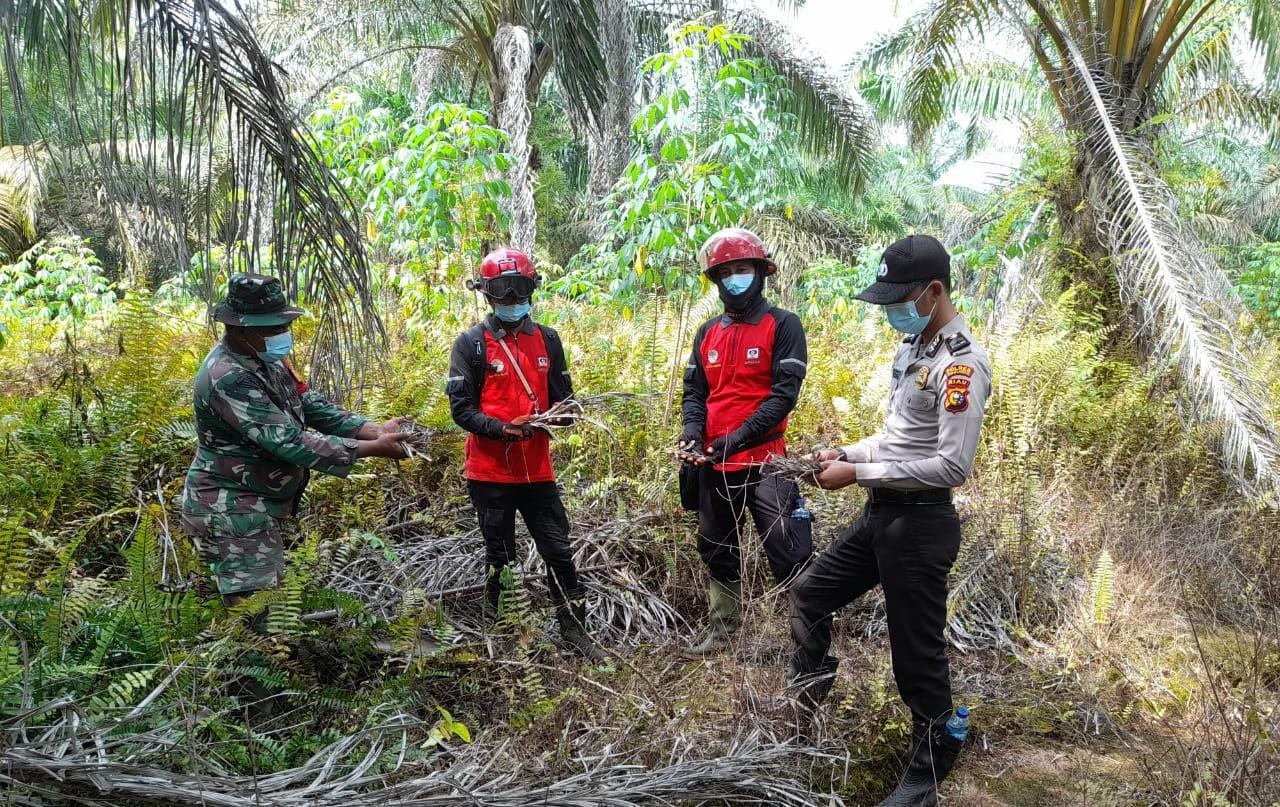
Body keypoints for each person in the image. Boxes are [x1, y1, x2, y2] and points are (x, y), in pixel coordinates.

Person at [786, 235, 992, 805]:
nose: (890, 312)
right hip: (881, 517)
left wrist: (858, 476)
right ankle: (805, 706)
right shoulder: (912, 349)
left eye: (899, 299)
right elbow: (896, 438)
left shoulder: (961, 364)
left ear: (934, 291)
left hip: (921, 526)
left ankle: (928, 771)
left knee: (915, 657)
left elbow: (951, 465)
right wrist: (846, 455)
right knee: (809, 593)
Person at [181, 273, 412, 606]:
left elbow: (306, 402)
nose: (282, 335)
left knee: (276, 611)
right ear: (242, 329)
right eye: (272, 328)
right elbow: (289, 441)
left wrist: (371, 429)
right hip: (232, 511)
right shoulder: (227, 376)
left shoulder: (265, 359)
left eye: (281, 326)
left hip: (262, 505)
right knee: (259, 622)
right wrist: (371, 450)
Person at [446, 247, 600, 659]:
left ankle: (575, 632)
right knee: (501, 558)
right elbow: (461, 409)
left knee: (559, 552)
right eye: (502, 290)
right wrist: (500, 429)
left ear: (533, 290)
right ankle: (505, 638)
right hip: (489, 474)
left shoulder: (548, 339)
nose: (512, 299)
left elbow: (565, 399)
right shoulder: (471, 344)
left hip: (538, 473)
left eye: (520, 289)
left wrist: (562, 418)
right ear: (487, 293)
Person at [678, 227, 812, 656]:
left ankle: (807, 638)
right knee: (715, 546)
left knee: (787, 549)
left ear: (761, 272)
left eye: (743, 270)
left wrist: (737, 439)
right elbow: (695, 393)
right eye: (726, 273)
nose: (735, 278)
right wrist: (692, 434)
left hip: (766, 459)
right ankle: (723, 631)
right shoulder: (707, 333)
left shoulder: (784, 325)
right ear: (716, 281)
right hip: (714, 462)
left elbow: (782, 397)